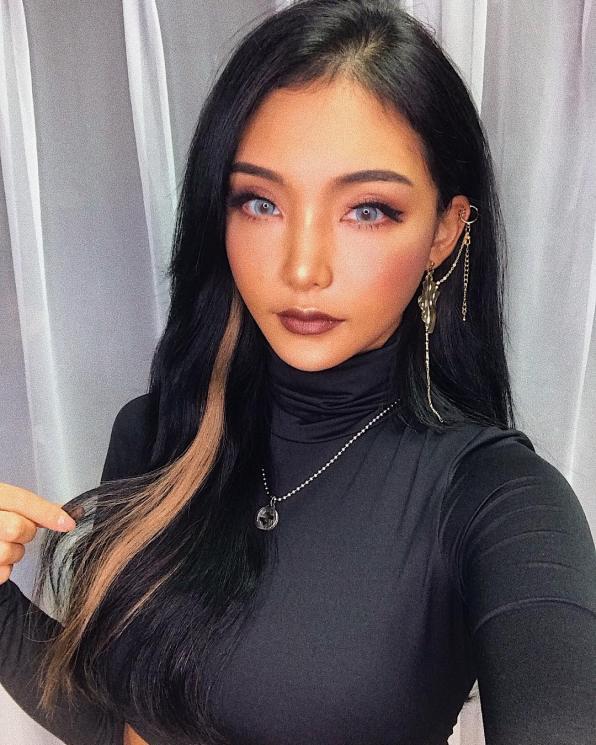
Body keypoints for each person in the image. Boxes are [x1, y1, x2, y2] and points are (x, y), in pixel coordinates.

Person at [1, 1, 594, 744]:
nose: (302, 268)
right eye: (261, 202)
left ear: (445, 230)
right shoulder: (157, 435)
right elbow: (124, 721)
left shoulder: (499, 500)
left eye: (368, 210)